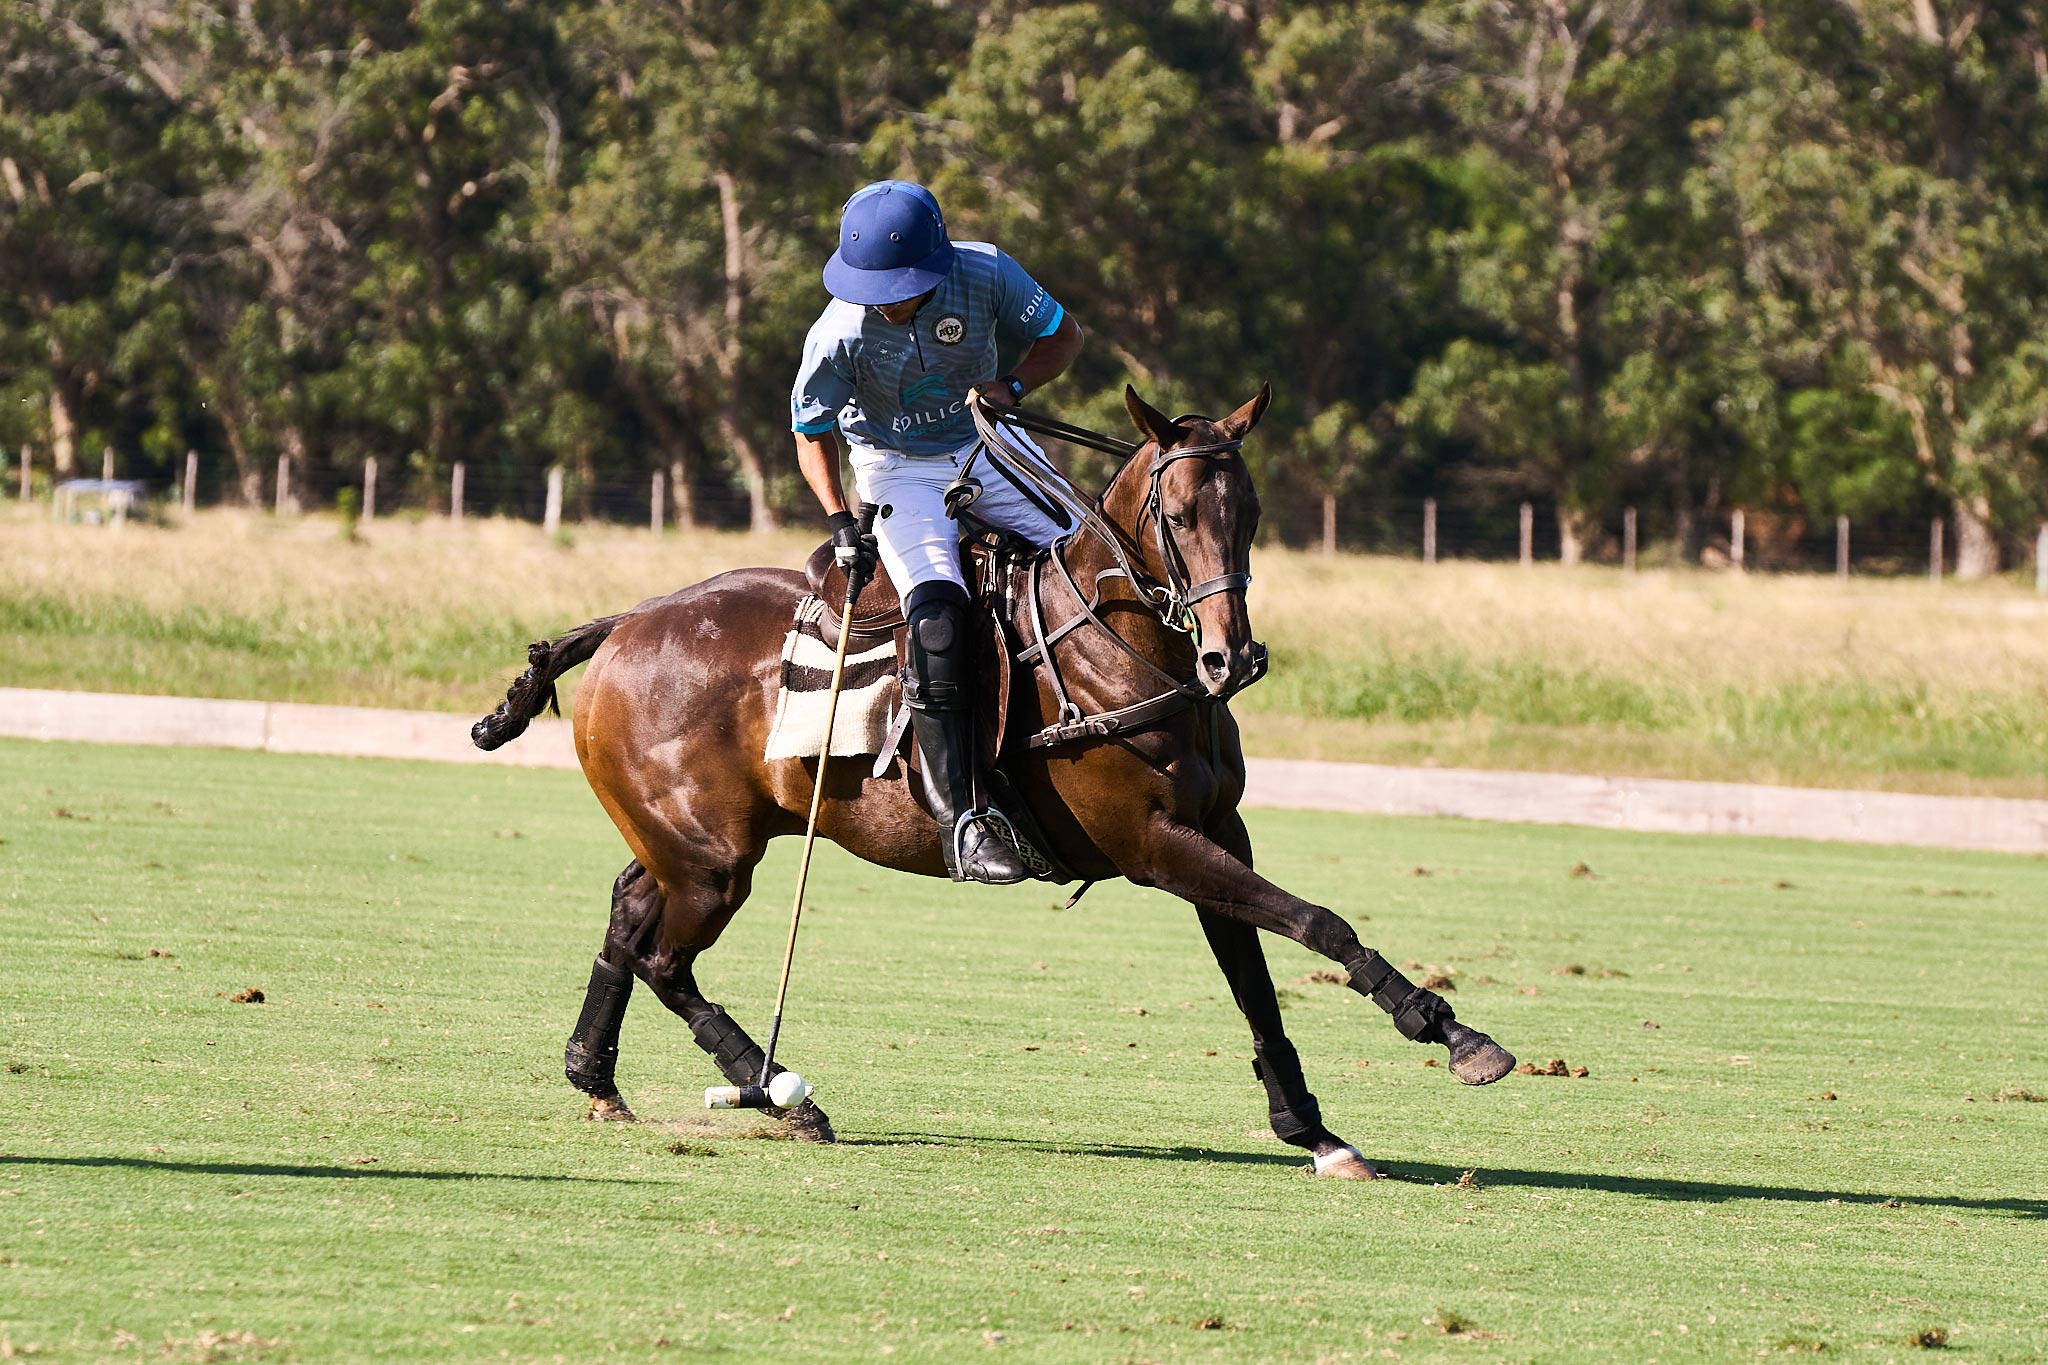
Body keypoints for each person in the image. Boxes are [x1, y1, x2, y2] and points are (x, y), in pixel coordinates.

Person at [790, 180, 1085, 884]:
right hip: (897, 469)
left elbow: (1063, 336)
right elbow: (810, 430)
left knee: (1092, 561)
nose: (886, 300)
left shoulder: (985, 270)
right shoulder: (837, 333)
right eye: (875, 287)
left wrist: (1012, 386)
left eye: (902, 285)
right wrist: (838, 519)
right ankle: (964, 817)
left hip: (991, 442)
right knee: (938, 619)